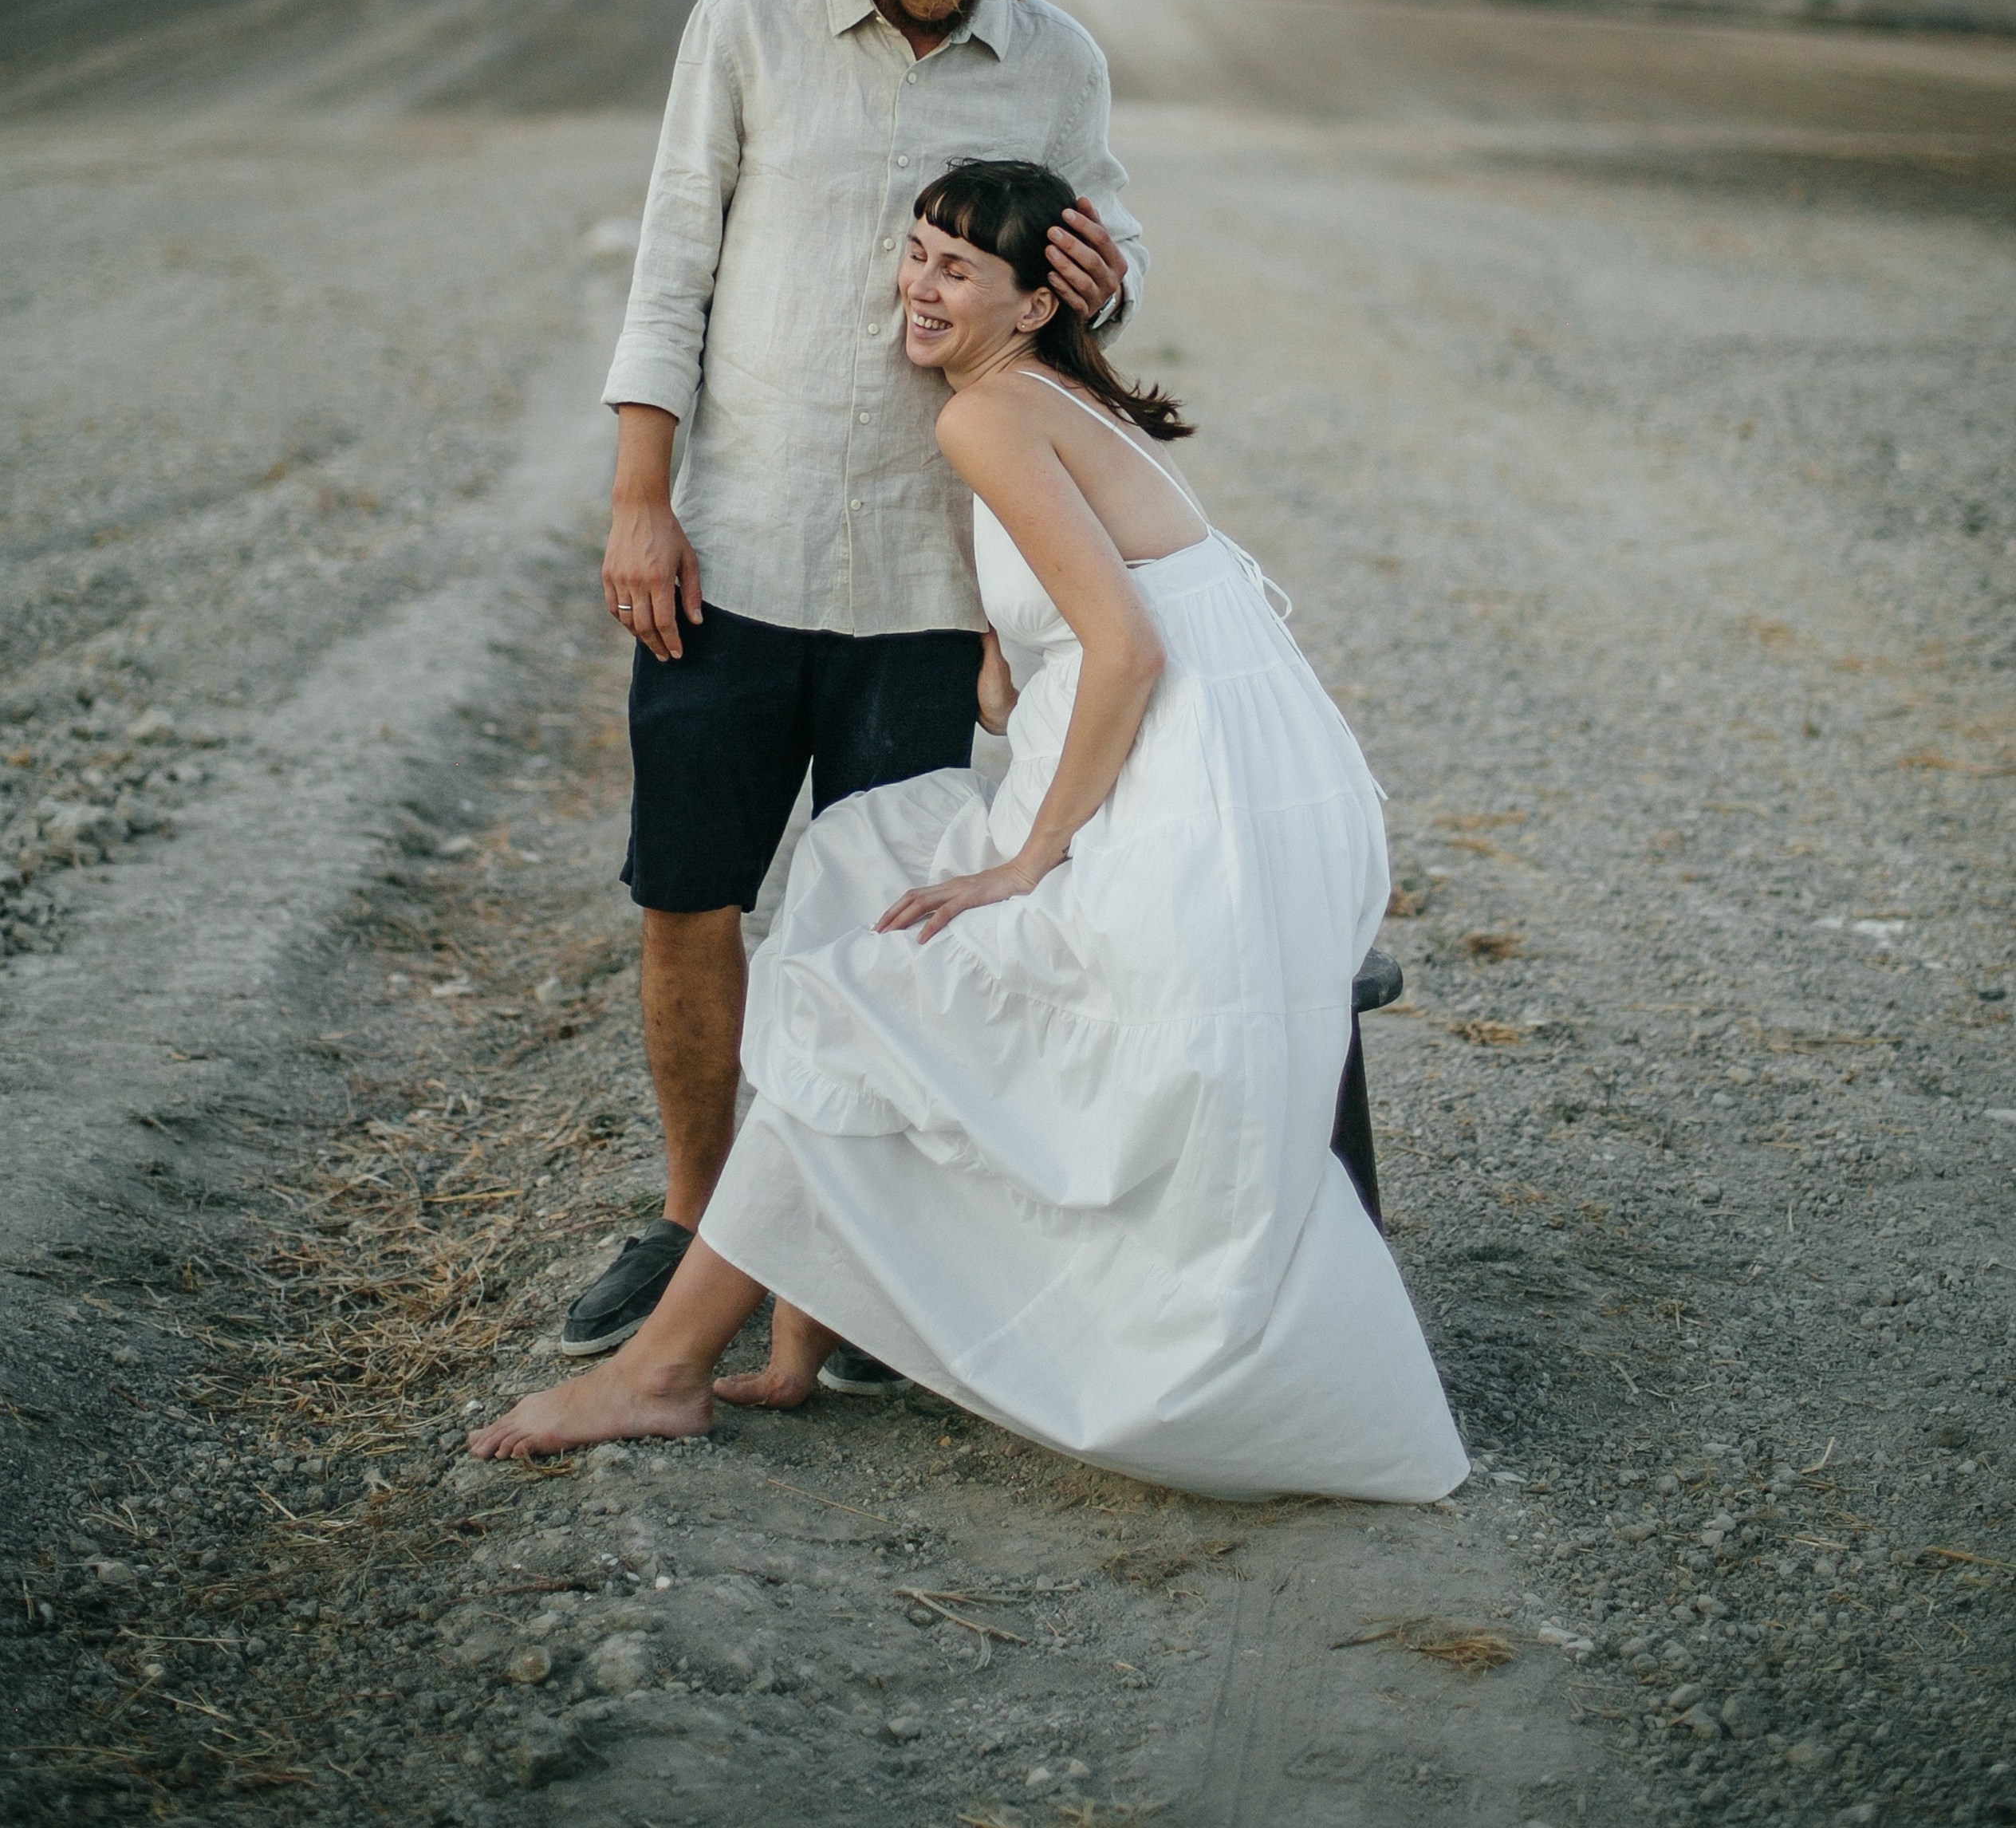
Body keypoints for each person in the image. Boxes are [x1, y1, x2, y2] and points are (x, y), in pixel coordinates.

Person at [478, 160, 1466, 1503]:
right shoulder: (1045, 400)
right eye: (916, 252)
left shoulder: (989, 416)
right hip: (1237, 778)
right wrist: (1003, 651)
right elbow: (1040, 673)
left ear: (1033, 305)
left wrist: (1029, 861)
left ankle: (663, 1369)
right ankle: (801, 1328)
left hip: (1201, 814)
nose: (920, 285)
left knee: (880, 983)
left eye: (958, 268)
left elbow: (1127, 652)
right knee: (856, 857)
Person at [561, 0, 1146, 1376]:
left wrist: (1108, 281)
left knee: (887, 939)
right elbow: (673, 261)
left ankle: (856, 1263)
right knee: (690, 899)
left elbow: (1111, 259)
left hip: (925, 579)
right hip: (731, 554)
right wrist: (639, 497)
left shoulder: (1058, 63)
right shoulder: (746, 21)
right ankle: (699, 1230)